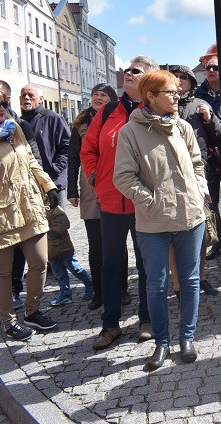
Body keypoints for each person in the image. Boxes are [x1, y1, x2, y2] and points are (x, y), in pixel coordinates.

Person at [113, 70, 209, 371]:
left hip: (191, 218)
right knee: (156, 283)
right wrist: (152, 202)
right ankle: (161, 341)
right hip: (153, 223)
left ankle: (187, 338)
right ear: (150, 97)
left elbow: (197, 165)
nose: (177, 94)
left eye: (177, 90)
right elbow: (124, 178)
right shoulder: (131, 131)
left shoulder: (183, 127)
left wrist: (200, 193)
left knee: (191, 280)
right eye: (170, 91)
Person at [81, 56, 155, 351]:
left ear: (150, 78)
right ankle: (110, 323)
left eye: (136, 71)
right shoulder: (110, 110)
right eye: (127, 69)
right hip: (110, 201)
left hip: (143, 203)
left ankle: (147, 320)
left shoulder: (152, 110)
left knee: (148, 264)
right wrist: (94, 175)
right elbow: (89, 149)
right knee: (110, 264)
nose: (128, 73)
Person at [0, 87, 58, 341]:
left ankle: (32, 311)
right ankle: (8, 323)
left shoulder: (13, 128)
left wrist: (48, 185)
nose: (1, 109)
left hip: (28, 205)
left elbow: (30, 160)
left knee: (40, 261)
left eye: (3, 103)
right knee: (3, 272)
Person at [170, 64, 221, 296]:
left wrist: (210, 117)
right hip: (169, 177)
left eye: (185, 77)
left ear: (192, 83)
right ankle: (177, 284)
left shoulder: (198, 105)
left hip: (198, 173)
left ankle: (200, 277)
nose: (180, 80)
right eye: (175, 76)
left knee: (201, 227)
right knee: (173, 232)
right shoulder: (158, 107)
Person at [67, 84, 117, 310]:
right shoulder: (80, 124)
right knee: (96, 244)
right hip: (89, 186)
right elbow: (73, 159)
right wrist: (71, 190)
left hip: (116, 183)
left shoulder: (119, 119)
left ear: (112, 99)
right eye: (95, 94)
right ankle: (99, 292)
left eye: (103, 95)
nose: (98, 98)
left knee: (116, 244)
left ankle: (120, 290)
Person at [195, 56, 221, 262]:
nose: (211, 71)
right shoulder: (198, 95)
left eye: (216, 68)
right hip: (207, 158)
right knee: (211, 204)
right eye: (208, 67)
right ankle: (217, 243)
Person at [19, 85, 70, 208]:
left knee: (57, 223)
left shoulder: (53, 118)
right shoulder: (17, 123)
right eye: (23, 95)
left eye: (31, 95)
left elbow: (68, 146)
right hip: (29, 184)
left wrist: (54, 169)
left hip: (53, 182)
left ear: (41, 99)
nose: (26, 98)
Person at [46, 204, 94, 306]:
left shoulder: (55, 209)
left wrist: (45, 232)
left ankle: (90, 284)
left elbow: (61, 225)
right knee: (59, 274)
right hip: (51, 251)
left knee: (75, 269)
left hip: (63, 248)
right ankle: (66, 294)